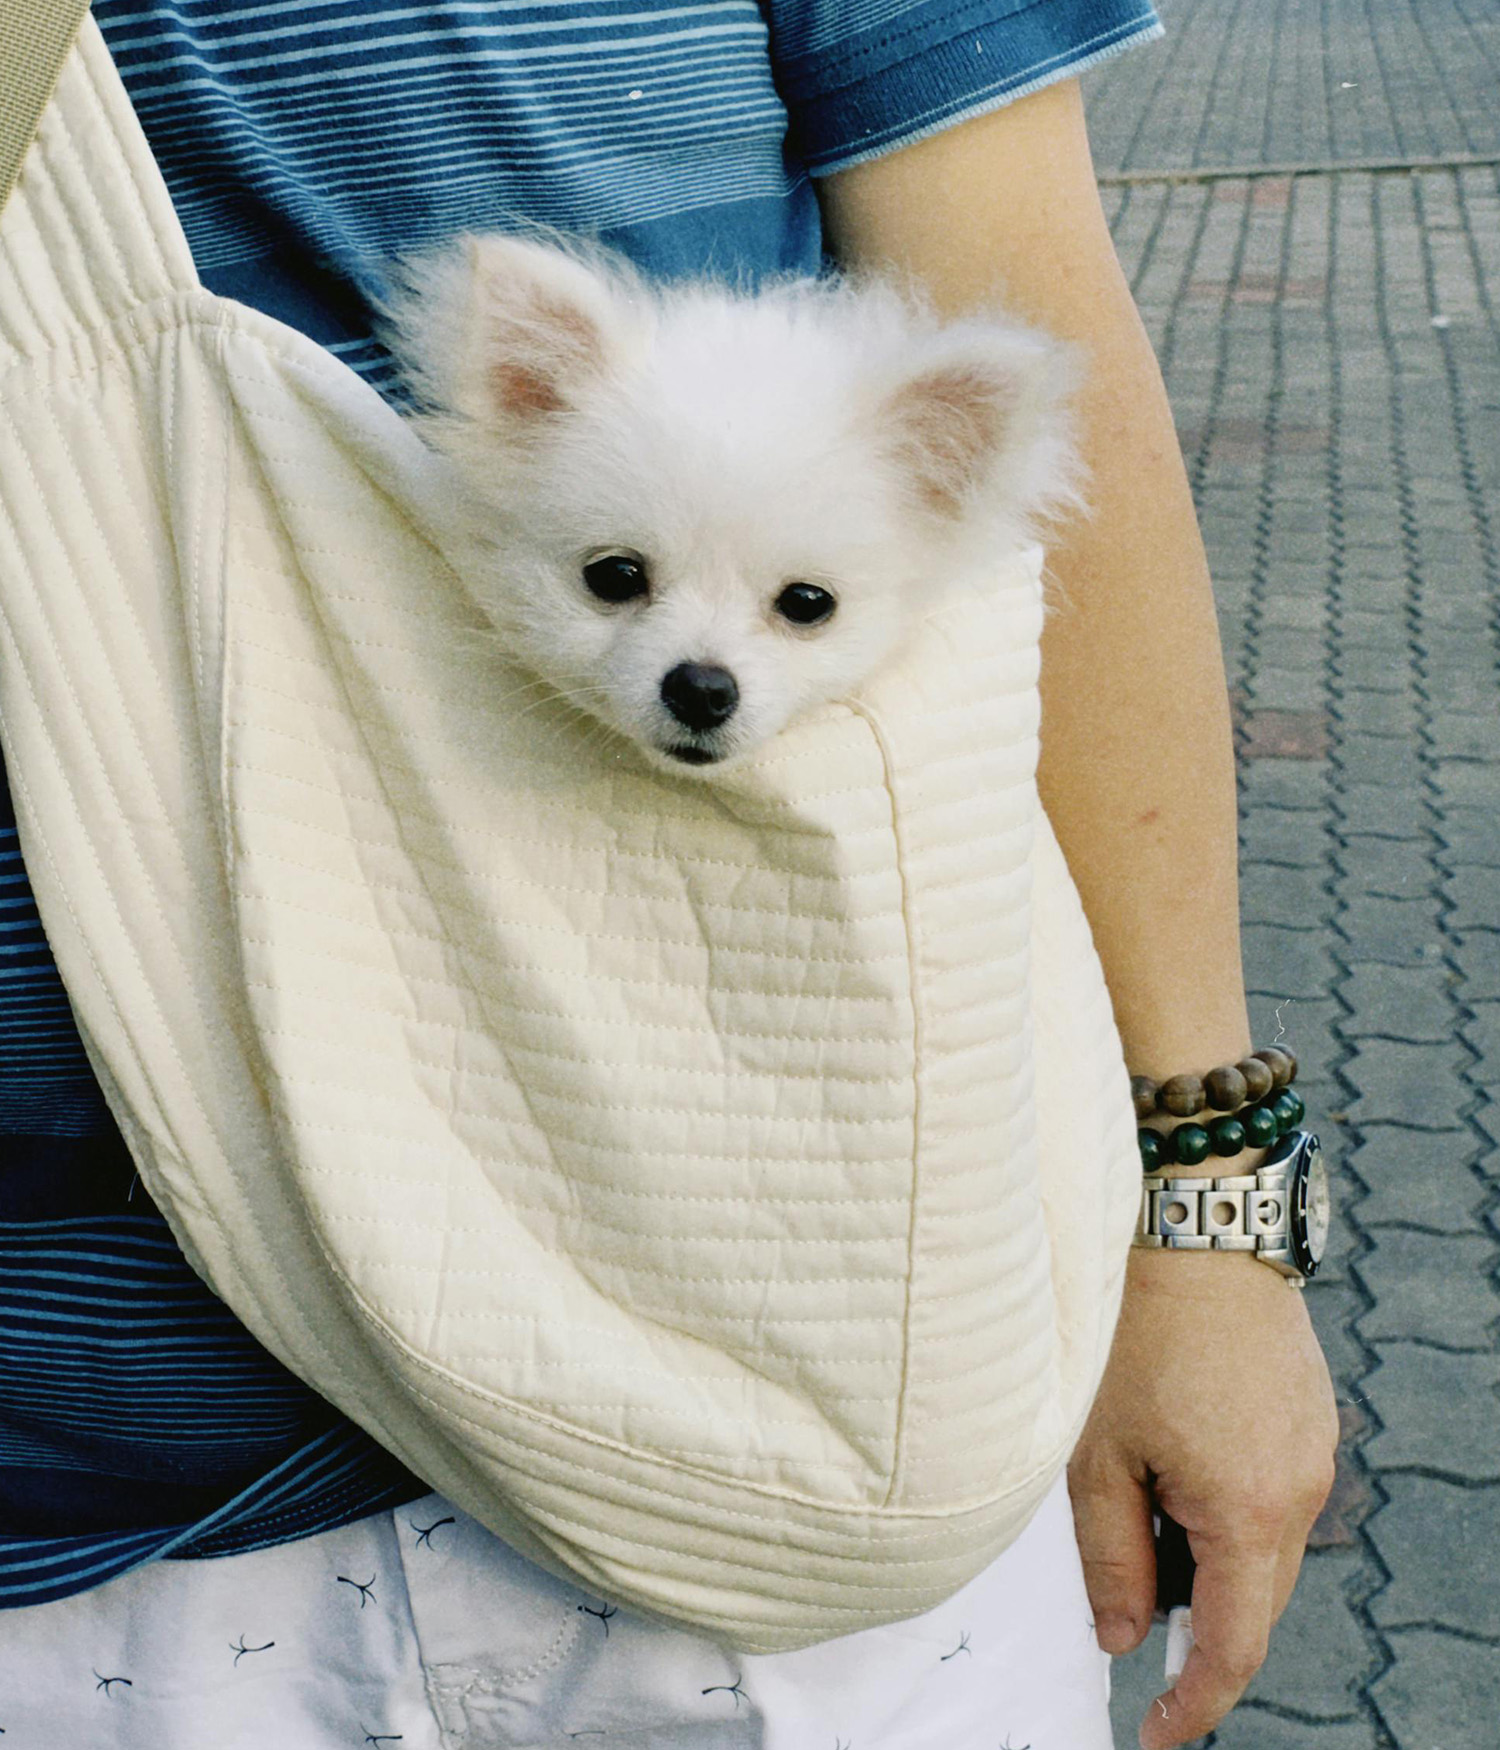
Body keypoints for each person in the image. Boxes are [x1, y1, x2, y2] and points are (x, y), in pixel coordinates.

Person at [0, 1, 1338, 1745]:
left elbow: (1042, 334)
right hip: (86, 1492)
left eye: (792, 609)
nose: (705, 667)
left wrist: (1206, 1210)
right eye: (624, 578)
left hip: (821, 1435)